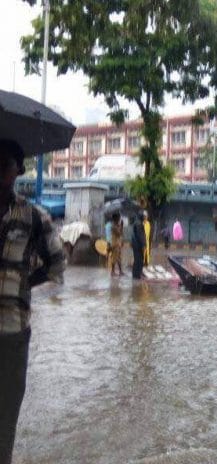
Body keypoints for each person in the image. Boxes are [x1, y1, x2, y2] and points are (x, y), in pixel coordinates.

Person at [0, 139, 65, 464]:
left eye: (5, 165)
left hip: (12, 332)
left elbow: (56, 264)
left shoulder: (35, 218)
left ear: (17, 171)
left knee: (5, 413)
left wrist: (25, 281)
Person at [131, 211, 146, 279]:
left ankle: (135, 274)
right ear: (141, 216)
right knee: (139, 260)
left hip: (135, 244)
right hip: (138, 245)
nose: (145, 218)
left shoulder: (136, 223)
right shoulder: (139, 224)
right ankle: (137, 275)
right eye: (144, 216)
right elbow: (141, 236)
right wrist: (143, 245)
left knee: (137, 259)